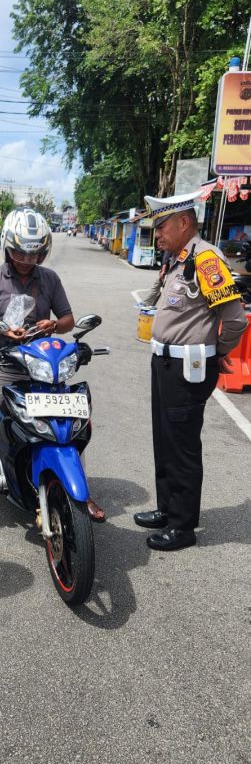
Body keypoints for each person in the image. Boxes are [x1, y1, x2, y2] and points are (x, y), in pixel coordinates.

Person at [0, 207, 106, 530]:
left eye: (34, 253)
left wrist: (53, 324)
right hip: (1, 364)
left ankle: (80, 492)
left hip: (44, 367)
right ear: (7, 248)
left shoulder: (50, 279)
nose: (27, 259)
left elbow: (67, 319)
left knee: (70, 420)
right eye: (20, 252)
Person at [134, 192, 247, 551]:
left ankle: (182, 527)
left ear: (184, 223)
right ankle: (168, 509)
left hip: (189, 366)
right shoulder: (178, 259)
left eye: (162, 226)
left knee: (181, 446)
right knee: (164, 439)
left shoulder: (206, 259)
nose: (158, 235)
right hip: (165, 362)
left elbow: (235, 320)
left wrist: (216, 354)